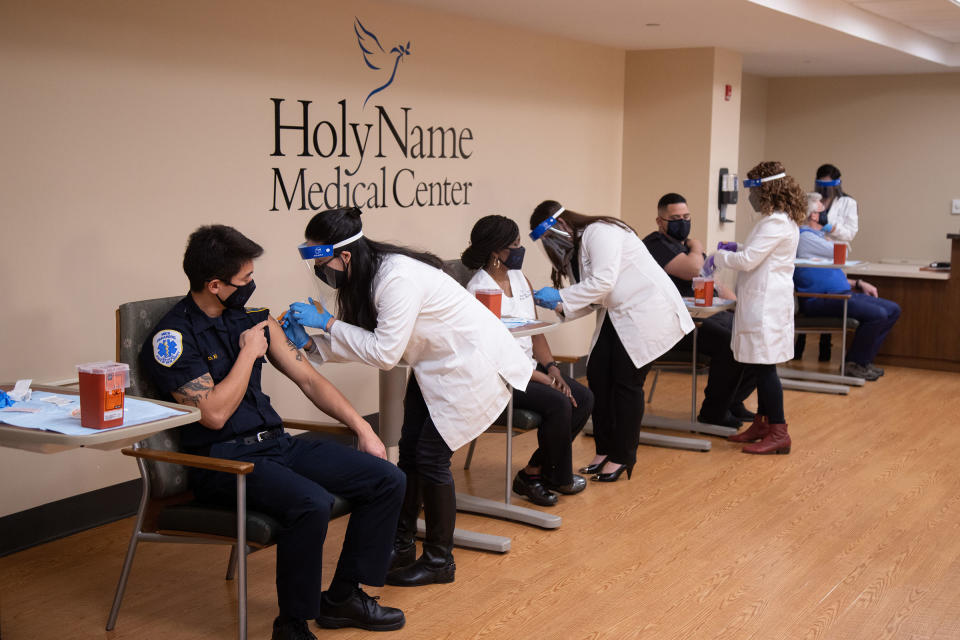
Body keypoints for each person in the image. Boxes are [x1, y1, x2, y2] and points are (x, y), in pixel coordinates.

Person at [139, 225, 406, 640]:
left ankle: (343, 597)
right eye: (244, 279)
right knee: (311, 503)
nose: (251, 285)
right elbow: (212, 414)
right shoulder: (172, 338)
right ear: (214, 285)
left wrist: (362, 429)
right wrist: (248, 353)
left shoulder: (255, 319)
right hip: (222, 461)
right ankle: (292, 625)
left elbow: (310, 380)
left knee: (387, 478)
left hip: (276, 445)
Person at [282, 207, 532, 588]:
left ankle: (439, 560)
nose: (321, 272)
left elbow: (383, 353)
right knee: (411, 450)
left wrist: (328, 325)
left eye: (322, 260)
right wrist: (314, 344)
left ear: (345, 256)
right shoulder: (370, 272)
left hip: (469, 364)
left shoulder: (395, 278)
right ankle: (400, 546)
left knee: (431, 458)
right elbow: (376, 340)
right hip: (435, 364)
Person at [528, 201, 693, 482]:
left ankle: (623, 456)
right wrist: (557, 305)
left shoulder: (599, 232)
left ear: (562, 225)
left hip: (646, 310)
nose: (551, 246)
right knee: (598, 375)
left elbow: (603, 283)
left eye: (550, 237)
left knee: (626, 384)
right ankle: (604, 450)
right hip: (618, 313)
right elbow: (593, 299)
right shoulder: (579, 249)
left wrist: (562, 298)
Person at [461, 214, 594, 506]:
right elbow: (494, 354)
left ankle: (534, 471)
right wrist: (543, 379)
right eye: (515, 245)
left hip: (529, 371)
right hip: (498, 378)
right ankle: (546, 477)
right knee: (559, 401)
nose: (521, 249)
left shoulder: (520, 278)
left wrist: (552, 368)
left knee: (583, 397)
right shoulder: (479, 291)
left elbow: (536, 333)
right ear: (496, 251)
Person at [708, 161, 804, 455]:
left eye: (752, 188)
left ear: (766, 190)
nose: (749, 196)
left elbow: (749, 261)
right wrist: (736, 247)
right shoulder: (780, 221)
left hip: (766, 306)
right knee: (761, 363)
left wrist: (719, 257)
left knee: (765, 368)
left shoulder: (775, 223)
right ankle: (763, 424)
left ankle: (779, 430)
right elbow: (758, 255)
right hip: (766, 302)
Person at [642, 193, 756, 427]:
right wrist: (698, 247)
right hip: (677, 325)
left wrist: (742, 307)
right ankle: (713, 413)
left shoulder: (686, 247)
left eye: (686, 216)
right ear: (660, 221)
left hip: (706, 316)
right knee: (729, 342)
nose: (682, 222)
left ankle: (733, 401)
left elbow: (713, 282)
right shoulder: (655, 244)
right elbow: (695, 270)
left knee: (755, 332)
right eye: (675, 218)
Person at [795, 192, 900, 380]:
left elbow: (827, 269)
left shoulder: (818, 237)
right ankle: (854, 364)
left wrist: (858, 283)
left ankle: (862, 361)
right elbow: (842, 252)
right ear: (813, 215)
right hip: (821, 299)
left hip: (839, 293)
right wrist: (834, 231)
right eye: (822, 208)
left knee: (893, 310)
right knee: (877, 315)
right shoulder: (805, 237)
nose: (826, 211)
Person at [797, 163, 860, 362]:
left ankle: (825, 352)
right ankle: (798, 350)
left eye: (828, 184)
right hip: (810, 254)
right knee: (809, 298)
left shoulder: (847, 203)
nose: (824, 188)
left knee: (829, 299)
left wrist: (829, 227)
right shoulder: (812, 201)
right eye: (820, 183)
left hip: (832, 255)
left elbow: (849, 233)